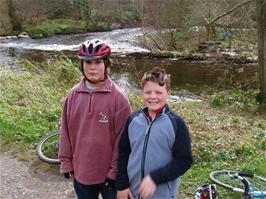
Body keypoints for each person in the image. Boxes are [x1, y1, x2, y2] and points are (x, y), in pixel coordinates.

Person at [58, 39, 131, 199]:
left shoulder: (119, 99)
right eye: (87, 62)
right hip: (81, 172)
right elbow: (65, 131)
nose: (92, 67)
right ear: (81, 65)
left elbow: (123, 141)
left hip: (109, 177)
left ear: (107, 65)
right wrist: (66, 162)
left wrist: (114, 172)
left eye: (98, 62)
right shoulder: (73, 95)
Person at [116, 67, 193, 199]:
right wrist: (122, 184)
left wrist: (155, 178)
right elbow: (124, 152)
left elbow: (184, 160)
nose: (153, 97)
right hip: (132, 192)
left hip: (161, 194)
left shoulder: (176, 124)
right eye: (148, 92)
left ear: (168, 93)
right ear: (142, 93)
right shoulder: (133, 120)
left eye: (158, 92)